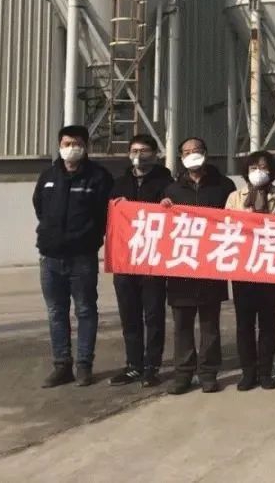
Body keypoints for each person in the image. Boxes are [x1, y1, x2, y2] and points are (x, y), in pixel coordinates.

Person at [33, 125, 113, 388]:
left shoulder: (98, 177)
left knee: (85, 310)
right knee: (56, 312)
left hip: (82, 258)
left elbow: (105, 215)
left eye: (77, 143)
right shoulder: (48, 176)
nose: (71, 148)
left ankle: (84, 365)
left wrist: (87, 237)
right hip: (50, 258)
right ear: (59, 146)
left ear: (85, 146)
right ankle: (62, 365)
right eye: (67, 144)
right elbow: (40, 207)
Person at [161, 137, 237, 395]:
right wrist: (163, 209)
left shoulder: (223, 186)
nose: (192, 154)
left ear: (206, 153)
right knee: (182, 325)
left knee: (209, 324)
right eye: (187, 151)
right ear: (180, 157)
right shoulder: (172, 189)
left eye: (196, 150)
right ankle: (183, 373)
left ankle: (208, 373)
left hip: (210, 265)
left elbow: (235, 219)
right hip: (181, 265)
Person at [108, 134, 173, 388]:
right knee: (129, 315)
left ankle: (151, 366)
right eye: (134, 150)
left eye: (144, 151)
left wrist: (166, 206)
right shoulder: (119, 183)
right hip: (125, 260)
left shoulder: (166, 183)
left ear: (155, 154)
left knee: (153, 315)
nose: (139, 155)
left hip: (152, 260)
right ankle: (133, 365)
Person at [225, 150, 275, 392]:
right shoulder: (235, 197)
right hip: (244, 268)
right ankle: (248, 372)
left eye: (263, 167)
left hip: (270, 267)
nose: (258, 172)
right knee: (244, 323)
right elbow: (225, 226)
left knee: (268, 322)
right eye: (253, 167)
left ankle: (266, 372)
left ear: (272, 171)